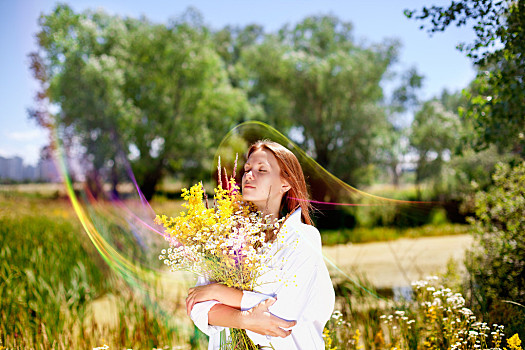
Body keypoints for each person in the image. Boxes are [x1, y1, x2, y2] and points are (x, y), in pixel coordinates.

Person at [185, 140, 335, 349]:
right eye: (247, 169)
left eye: (262, 169)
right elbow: (197, 306)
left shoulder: (303, 238)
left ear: (286, 183)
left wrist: (218, 292)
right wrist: (244, 320)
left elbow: (283, 318)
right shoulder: (224, 235)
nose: (249, 175)